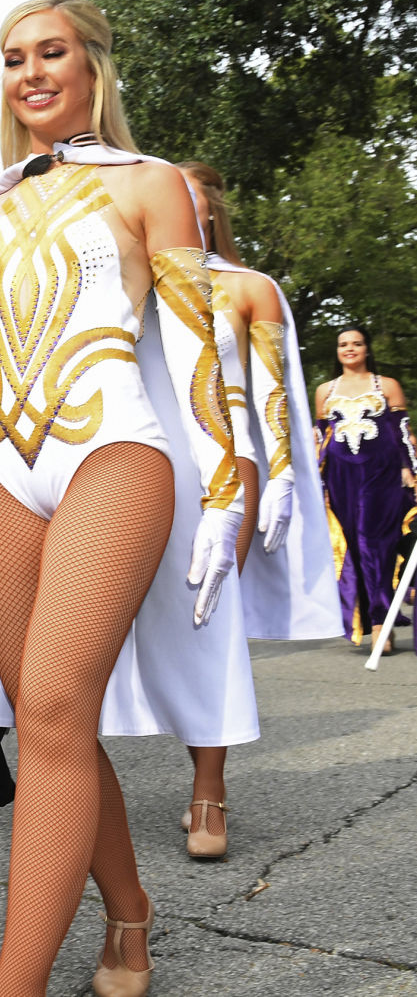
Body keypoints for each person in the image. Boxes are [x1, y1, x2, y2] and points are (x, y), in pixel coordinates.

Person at [0, 0, 248, 997]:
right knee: (45, 722)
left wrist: (228, 491)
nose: (30, 72)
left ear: (94, 65)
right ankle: (128, 914)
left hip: (112, 450)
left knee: (57, 706)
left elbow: (199, 349)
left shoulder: (152, 187)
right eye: (13, 57)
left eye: (50, 52)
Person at [170, 162, 343, 858]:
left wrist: (281, 478)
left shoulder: (249, 288)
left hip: (229, 458)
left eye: (189, 197)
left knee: (210, 620)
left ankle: (207, 794)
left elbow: (272, 392)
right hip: (148, 460)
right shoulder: (133, 286)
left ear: (210, 211)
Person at [316, 325, 417, 647]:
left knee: (374, 544)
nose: (350, 348)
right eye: (343, 344)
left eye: (356, 343)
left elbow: (402, 434)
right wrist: (316, 484)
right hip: (340, 478)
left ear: (366, 349)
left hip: (381, 475)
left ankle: (380, 623)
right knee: (351, 547)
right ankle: (364, 618)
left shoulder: (387, 385)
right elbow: (319, 439)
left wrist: (411, 473)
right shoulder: (324, 391)